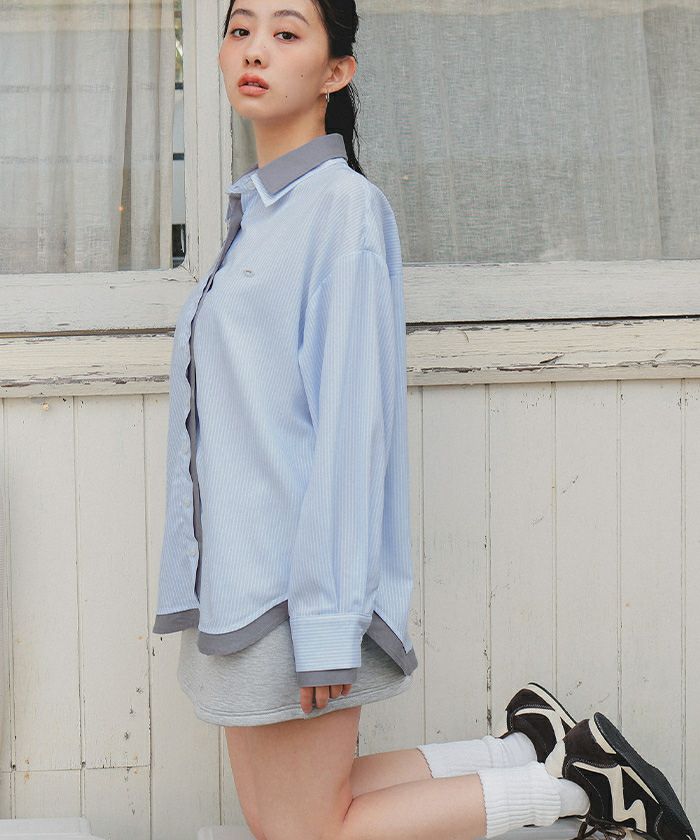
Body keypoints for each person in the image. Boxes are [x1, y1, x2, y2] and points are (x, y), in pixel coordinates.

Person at [151, 2, 697, 840]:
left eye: (286, 33)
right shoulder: (258, 211)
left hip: (295, 589)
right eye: (240, 29)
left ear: (337, 71)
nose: (255, 49)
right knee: (286, 816)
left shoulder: (342, 211)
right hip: (239, 581)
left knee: (304, 831)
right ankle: (528, 752)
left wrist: (328, 623)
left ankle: (581, 792)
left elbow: (351, 431)